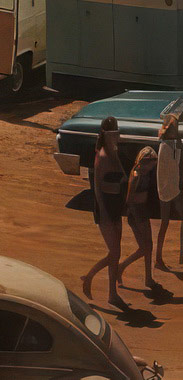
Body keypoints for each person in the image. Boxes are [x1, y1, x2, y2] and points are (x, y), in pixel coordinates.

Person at [83, 116, 126, 306]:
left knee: (116, 252)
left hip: (115, 205)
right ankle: (90, 276)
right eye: (113, 133)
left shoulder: (113, 152)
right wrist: (104, 213)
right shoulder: (102, 156)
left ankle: (112, 293)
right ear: (106, 135)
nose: (116, 136)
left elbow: (123, 176)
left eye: (117, 133)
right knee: (114, 252)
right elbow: (98, 189)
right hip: (106, 207)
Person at [118, 145, 160, 294]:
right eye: (150, 163)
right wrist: (135, 218)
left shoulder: (146, 173)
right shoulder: (136, 175)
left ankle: (148, 278)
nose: (152, 166)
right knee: (145, 247)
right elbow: (129, 199)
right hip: (136, 213)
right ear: (143, 161)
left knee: (147, 247)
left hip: (142, 212)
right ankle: (122, 267)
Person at [155, 114, 182, 271]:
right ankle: (158, 259)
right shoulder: (166, 147)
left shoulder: (170, 144)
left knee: (165, 224)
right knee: (164, 224)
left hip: (171, 189)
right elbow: (169, 170)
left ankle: (158, 258)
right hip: (168, 190)